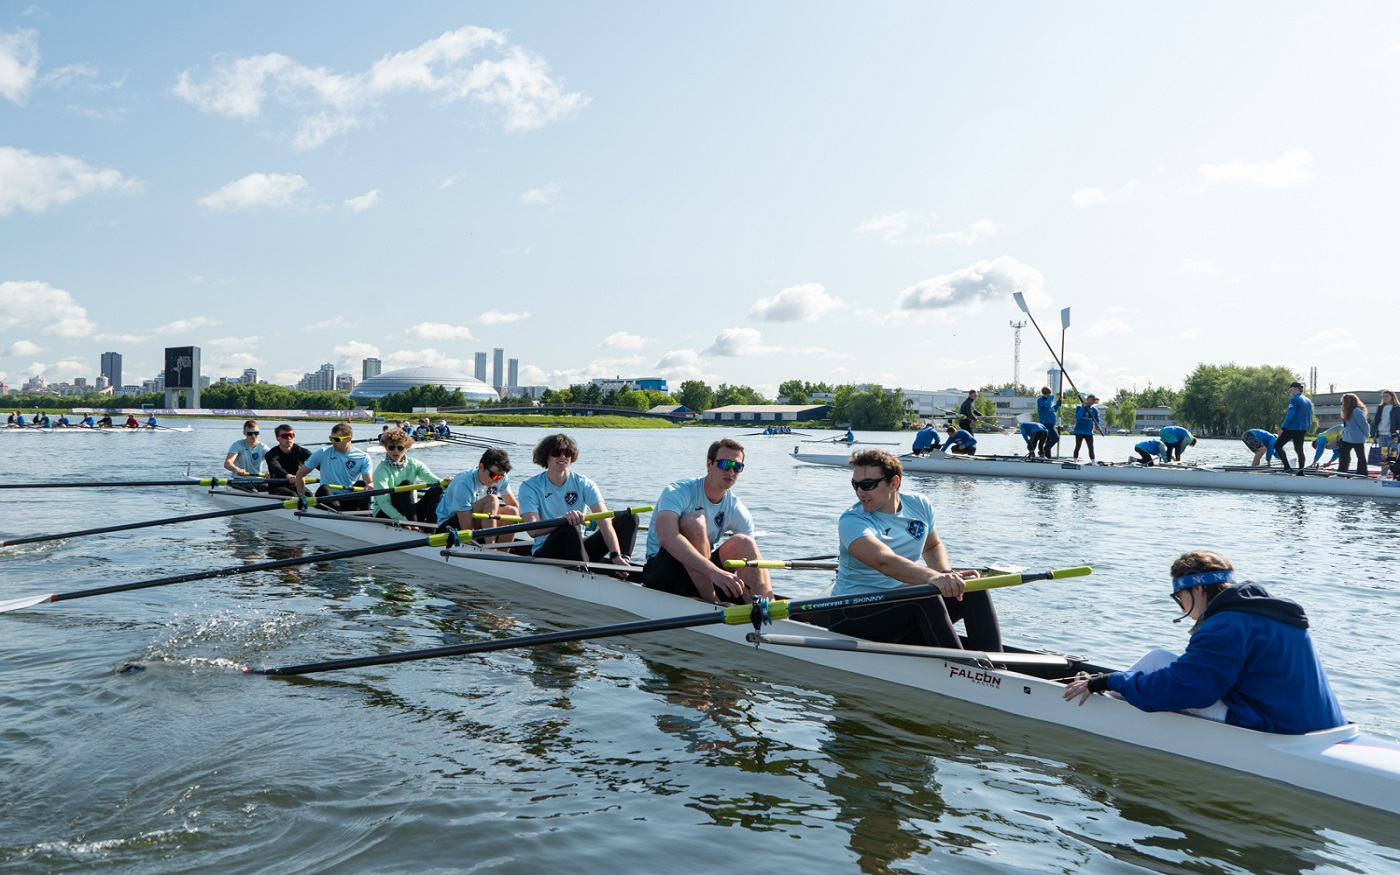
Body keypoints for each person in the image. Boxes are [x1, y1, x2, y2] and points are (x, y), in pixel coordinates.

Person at [1062, 551, 1346, 735]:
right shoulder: (1272, 612)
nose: (1181, 606)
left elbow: (1185, 689)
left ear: (1197, 588)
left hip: (1277, 729)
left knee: (1153, 664)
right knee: (1158, 659)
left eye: (1180, 597)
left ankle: (1092, 709)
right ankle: (1103, 697)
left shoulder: (1224, 628)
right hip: (1325, 726)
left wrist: (1111, 681)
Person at [822, 450, 1000, 652]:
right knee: (923, 597)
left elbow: (932, 546)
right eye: (855, 485)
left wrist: (945, 574)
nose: (860, 492)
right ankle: (964, 669)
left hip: (899, 608)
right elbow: (884, 562)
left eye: (868, 485)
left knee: (973, 587)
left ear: (894, 483)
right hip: (851, 614)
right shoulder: (853, 520)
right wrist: (932, 578)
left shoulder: (919, 504)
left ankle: (996, 666)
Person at [642, 438, 772, 604]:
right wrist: (714, 573)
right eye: (725, 464)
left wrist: (769, 595)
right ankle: (711, 601)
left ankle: (765, 608)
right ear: (709, 464)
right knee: (694, 522)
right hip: (664, 572)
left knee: (745, 543)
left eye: (737, 467)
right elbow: (667, 537)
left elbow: (755, 559)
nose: (731, 471)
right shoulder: (678, 491)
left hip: (703, 573)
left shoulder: (736, 507)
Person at [517, 433, 636, 569]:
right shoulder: (530, 486)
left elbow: (605, 523)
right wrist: (562, 519)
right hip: (547, 551)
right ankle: (583, 572)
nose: (562, 457)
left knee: (628, 517)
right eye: (556, 452)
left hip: (577, 547)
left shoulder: (584, 483)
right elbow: (533, 530)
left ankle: (623, 563)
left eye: (567, 453)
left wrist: (615, 555)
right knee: (569, 526)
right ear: (546, 456)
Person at [435, 447, 520, 539]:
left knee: (512, 511)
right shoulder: (463, 483)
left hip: (476, 519)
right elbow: (466, 529)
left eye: (500, 477)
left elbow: (513, 505)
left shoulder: (501, 478)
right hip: (449, 524)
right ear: (481, 467)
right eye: (494, 476)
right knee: (491, 500)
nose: (497, 481)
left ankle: (501, 552)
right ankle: (490, 547)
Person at [291, 422, 374, 512]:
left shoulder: (363, 457)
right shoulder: (323, 453)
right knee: (324, 488)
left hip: (348, 498)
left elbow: (369, 482)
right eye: (331, 439)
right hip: (327, 497)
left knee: (363, 484)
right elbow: (300, 475)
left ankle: (365, 515)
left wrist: (371, 484)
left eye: (337, 439)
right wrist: (301, 497)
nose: (333, 442)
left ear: (348, 439)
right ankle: (340, 515)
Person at [371, 428, 443, 523]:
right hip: (385, 512)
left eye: (400, 448)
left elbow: (432, 480)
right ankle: (414, 525)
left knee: (437, 489)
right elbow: (384, 503)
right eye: (391, 447)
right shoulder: (381, 470)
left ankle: (431, 529)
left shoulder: (415, 464)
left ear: (406, 448)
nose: (395, 451)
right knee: (406, 484)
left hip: (408, 510)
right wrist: (402, 520)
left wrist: (447, 483)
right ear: (385, 448)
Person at [264, 423, 311, 495]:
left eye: (291, 435)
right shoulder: (271, 454)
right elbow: (275, 467)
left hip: (296, 484)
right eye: (285, 436)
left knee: (309, 495)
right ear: (277, 438)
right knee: (292, 495)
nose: (289, 438)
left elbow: (318, 464)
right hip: (277, 486)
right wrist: (288, 475)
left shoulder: (302, 452)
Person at [1276, 381, 1313, 471]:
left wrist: (1283, 428)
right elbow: (1310, 415)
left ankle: (1287, 467)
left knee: (1277, 446)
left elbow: (1290, 415)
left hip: (1292, 428)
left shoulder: (1294, 400)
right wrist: (1308, 427)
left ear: (1295, 389)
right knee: (1299, 450)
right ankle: (1301, 471)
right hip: (1303, 428)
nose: (1290, 392)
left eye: (1291, 390)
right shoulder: (1308, 401)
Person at [1336, 393, 1370, 476]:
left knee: (1360, 456)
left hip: (1357, 438)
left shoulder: (1357, 411)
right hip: (1347, 438)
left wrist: (1367, 434)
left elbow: (1364, 424)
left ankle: (1362, 473)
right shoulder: (1347, 412)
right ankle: (1341, 473)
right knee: (1343, 456)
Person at [1371, 390, 1399, 475]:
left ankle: (1395, 474)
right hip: (1382, 435)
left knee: (1392, 456)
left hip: (1392, 436)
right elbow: (1376, 421)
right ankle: (1383, 475)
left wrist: (1397, 435)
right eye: (1383, 396)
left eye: (1387, 396)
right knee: (1383, 456)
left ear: (1392, 397)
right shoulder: (1381, 408)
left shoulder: (1397, 408)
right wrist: (1374, 434)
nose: (1384, 398)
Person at [1072, 394, 1102, 461]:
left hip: (1088, 432)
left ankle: (1093, 462)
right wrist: (1083, 408)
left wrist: (1098, 425)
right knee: (1078, 446)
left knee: (1091, 447)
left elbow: (1098, 419)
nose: (1094, 402)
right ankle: (1075, 460)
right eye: (1093, 400)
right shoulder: (1079, 407)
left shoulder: (1094, 410)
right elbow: (1078, 417)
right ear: (1088, 399)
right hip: (1079, 431)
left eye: (1095, 400)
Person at [1036, 386, 1061, 457]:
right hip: (1046, 423)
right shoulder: (1040, 400)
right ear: (1044, 393)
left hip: (1051, 423)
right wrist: (1050, 398)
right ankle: (1042, 451)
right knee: (1056, 438)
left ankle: (1047, 457)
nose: (1048, 395)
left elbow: (1054, 409)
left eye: (1049, 393)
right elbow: (1047, 406)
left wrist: (1057, 404)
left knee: (1049, 440)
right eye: (1046, 393)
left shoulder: (1050, 401)